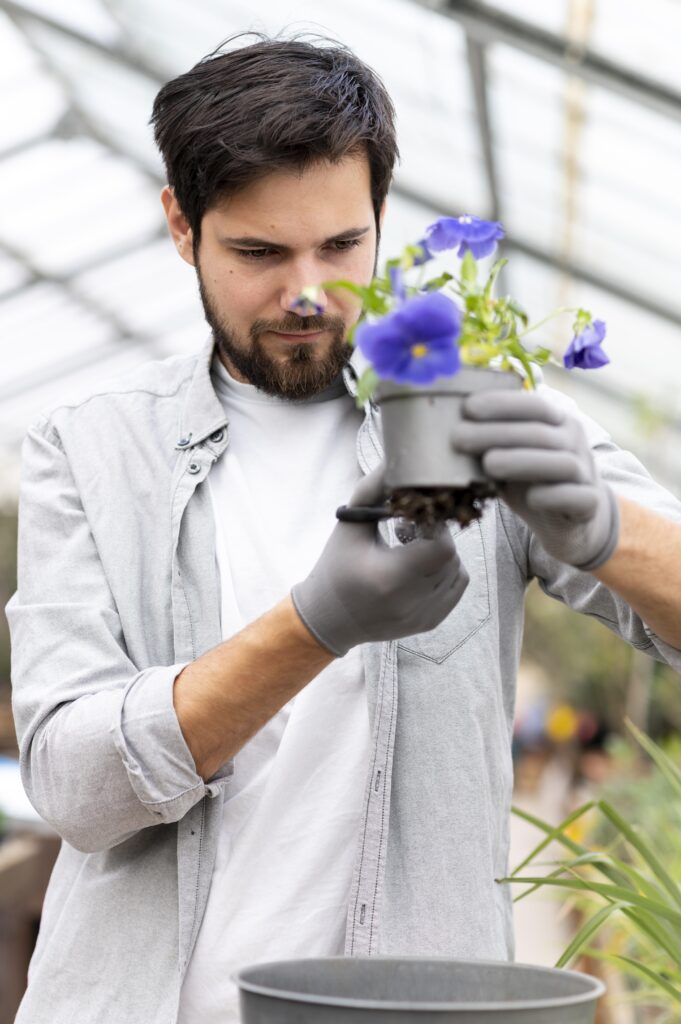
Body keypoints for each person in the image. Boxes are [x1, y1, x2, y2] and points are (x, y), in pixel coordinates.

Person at [7, 34, 681, 1024]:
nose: (308, 293)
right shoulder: (92, 451)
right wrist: (312, 625)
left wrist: (604, 528)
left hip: (408, 1006)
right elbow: (73, 785)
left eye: (342, 245)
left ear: (380, 220)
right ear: (181, 227)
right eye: (258, 253)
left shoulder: (463, 400)